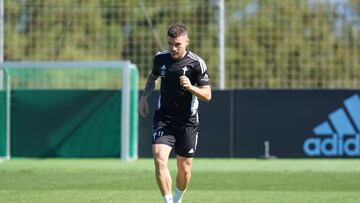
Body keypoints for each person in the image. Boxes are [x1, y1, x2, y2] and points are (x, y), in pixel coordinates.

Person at [138, 23, 212, 203]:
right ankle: (168, 202)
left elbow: (207, 95)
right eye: (170, 43)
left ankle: (177, 198)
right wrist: (144, 97)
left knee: (184, 168)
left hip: (187, 122)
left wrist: (191, 87)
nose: (173, 48)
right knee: (159, 158)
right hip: (164, 119)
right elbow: (153, 77)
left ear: (187, 41)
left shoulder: (197, 63)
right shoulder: (160, 59)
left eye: (177, 44)